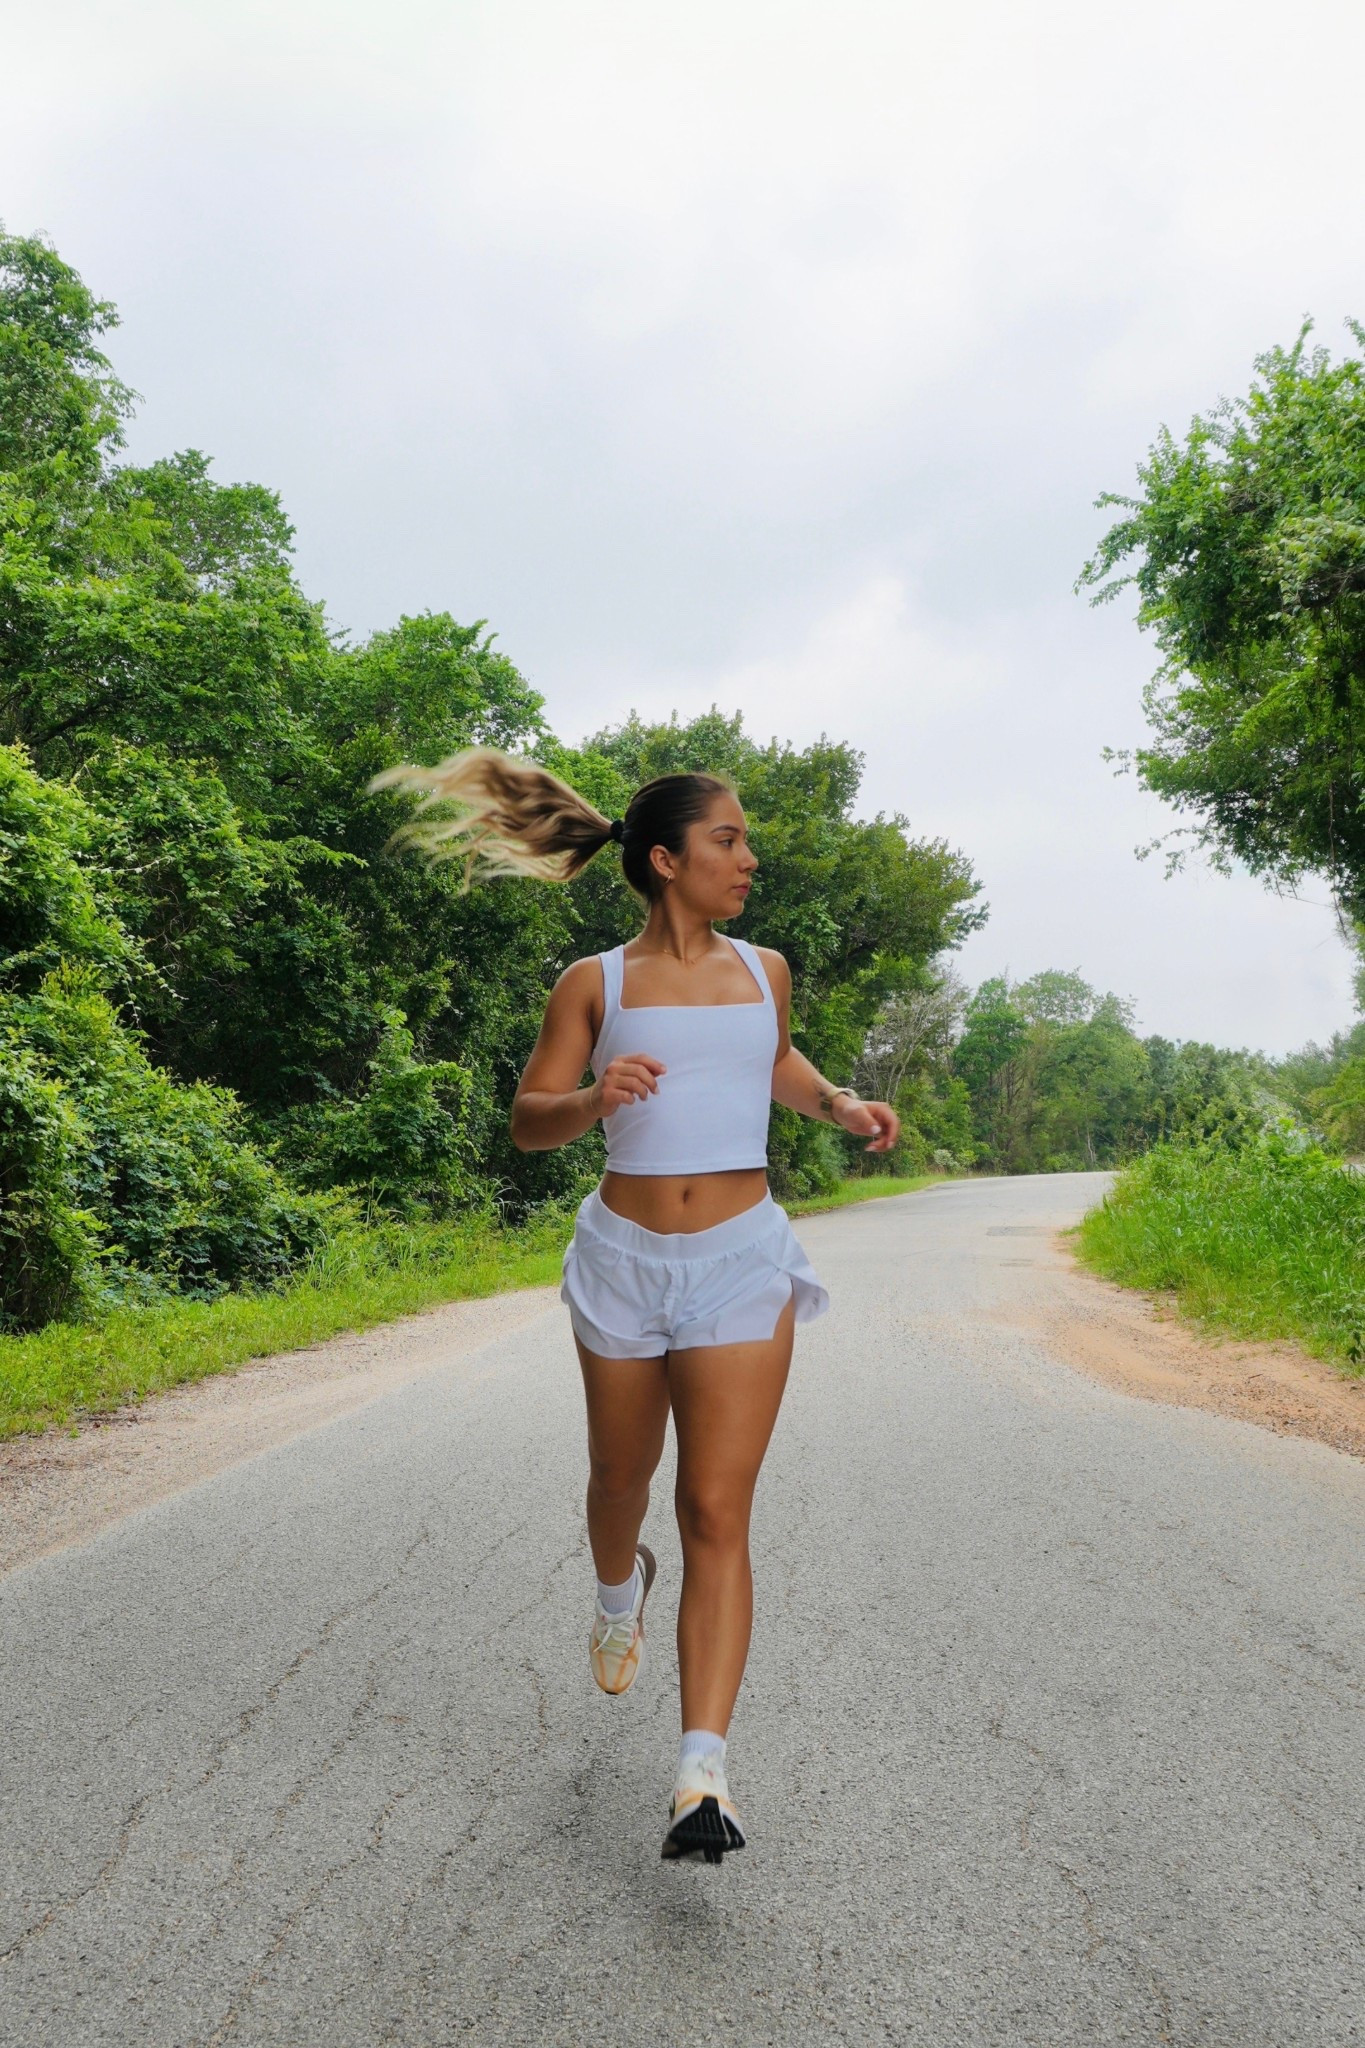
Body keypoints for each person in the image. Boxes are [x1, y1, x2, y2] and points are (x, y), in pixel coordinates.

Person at [375, 748, 900, 1862]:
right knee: (622, 1480)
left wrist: (842, 1104)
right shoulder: (595, 983)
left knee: (716, 1505)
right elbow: (527, 1119)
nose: (748, 858)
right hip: (623, 1258)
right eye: (727, 840)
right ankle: (619, 1595)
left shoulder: (766, 968)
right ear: (665, 860)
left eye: (746, 841)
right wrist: (591, 1094)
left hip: (740, 1259)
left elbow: (777, 1062)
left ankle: (701, 1772)